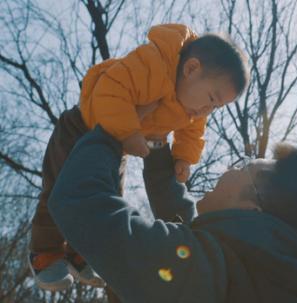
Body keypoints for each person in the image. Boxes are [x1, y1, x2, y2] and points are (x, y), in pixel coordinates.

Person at [29, 23, 250, 291]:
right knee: (59, 187)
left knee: (107, 196)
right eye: (211, 98)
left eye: (216, 107)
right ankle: (45, 253)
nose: (207, 110)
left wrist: (183, 158)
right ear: (191, 68)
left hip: (117, 146)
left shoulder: (191, 107)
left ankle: (81, 252)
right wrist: (129, 130)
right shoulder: (154, 64)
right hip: (80, 130)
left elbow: (193, 132)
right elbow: (110, 89)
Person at [47, 125, 297, 302]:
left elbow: (81, 202)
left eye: (245, 165)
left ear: (251, 209)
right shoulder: (279, 278)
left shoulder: (204, 273)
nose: (230, 168)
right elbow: (192, 231)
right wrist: (157, 144)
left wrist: (112, 127)